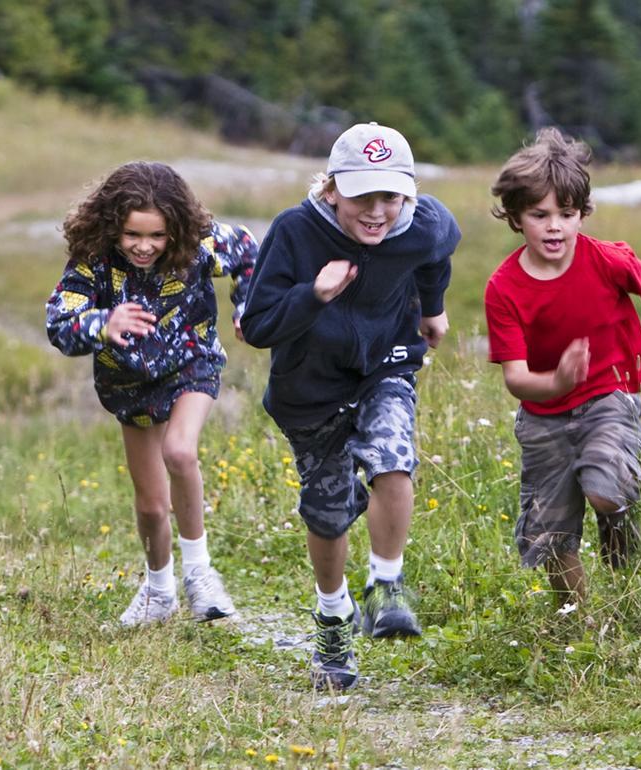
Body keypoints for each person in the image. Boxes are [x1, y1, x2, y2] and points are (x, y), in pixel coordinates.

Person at [240, 123, 460, 690]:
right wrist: (313, 294)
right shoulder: (295, 231)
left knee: (393, 456)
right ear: (332, 188)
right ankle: (334, 617)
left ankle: (386, 584)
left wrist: (432, 308)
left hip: (385, 365)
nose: (377, 212)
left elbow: (439, 248)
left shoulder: (421, 223)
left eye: (391, 196)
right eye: (363, 196)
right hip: (309, 389)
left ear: (408, 194)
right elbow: (257, 325)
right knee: (329, 511)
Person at [481, 128, 641, 614]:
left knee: (605, 488)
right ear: (515, 217)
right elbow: (515, 378)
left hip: (608, 396)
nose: (555, 227)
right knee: (550, 536)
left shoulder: (603, 260)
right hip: (543, 417)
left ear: (582, 214)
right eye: (540, 215)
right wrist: (556, 382)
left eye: (567, 214)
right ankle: (577, 620)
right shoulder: (503, 288)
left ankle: (618, 520)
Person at [45, 161, 258, 626]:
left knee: (179, 451)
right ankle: (159, 591)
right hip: (128, 383)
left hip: (192, 363)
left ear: (176, 229)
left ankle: (200, 573)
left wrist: (246, 306)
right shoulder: (93, 260)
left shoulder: (199, 245)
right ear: (112, 226)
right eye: (132, 235)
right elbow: (59, 324)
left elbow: (246, 248)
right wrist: (103, 322)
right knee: (150, 505)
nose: (144, 246)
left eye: (157, 236)